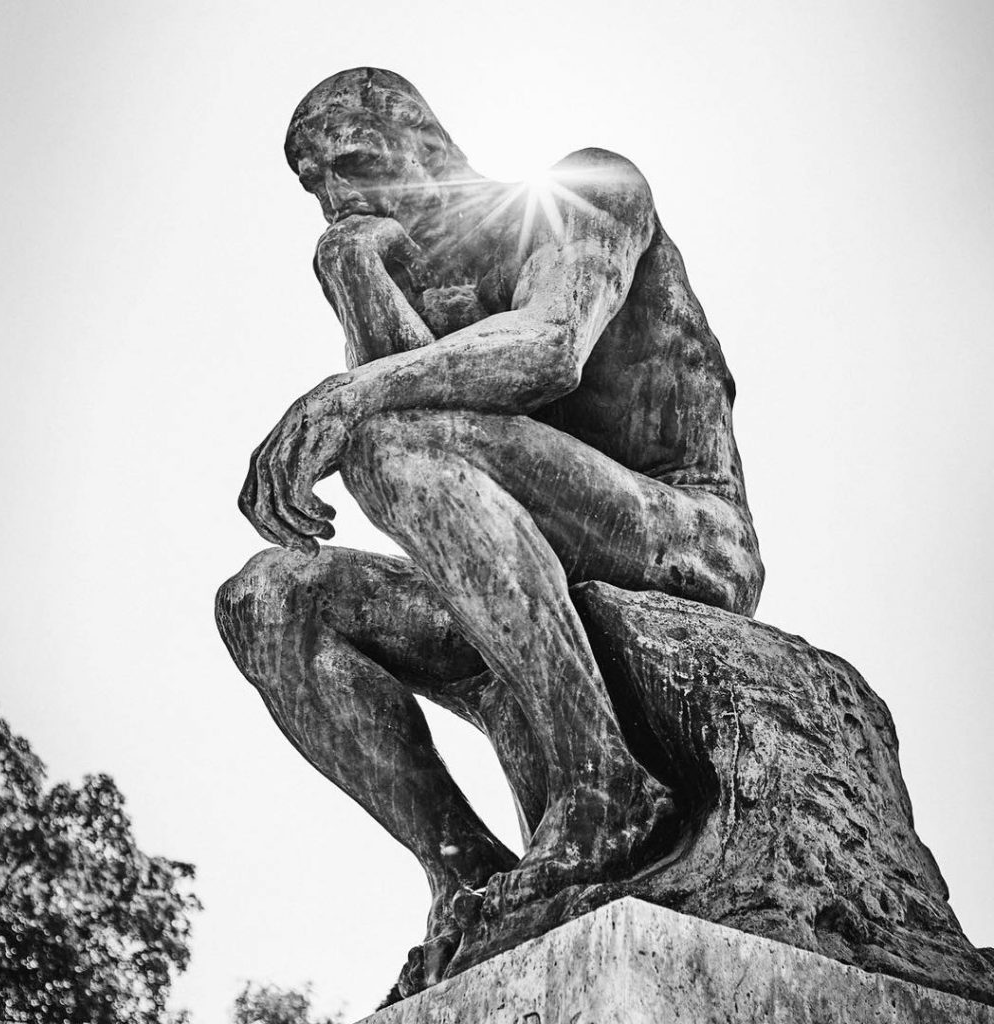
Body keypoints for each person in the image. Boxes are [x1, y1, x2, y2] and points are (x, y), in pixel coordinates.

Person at [216, 67, 764, 993]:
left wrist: (349, 394)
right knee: (266, 598)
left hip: (678, 530)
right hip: (520, 550)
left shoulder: (584, 191)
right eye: (314, 187)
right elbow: (413, 441)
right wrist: (351, 268)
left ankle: (609, 787)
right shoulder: (396, 271)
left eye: (356, 164)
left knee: (382, 432)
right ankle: (467, 874)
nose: (338, 196)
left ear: (428, 144)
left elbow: (550, 348)